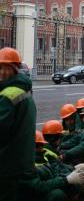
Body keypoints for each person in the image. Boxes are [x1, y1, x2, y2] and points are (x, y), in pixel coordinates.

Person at [0, 47, 36, 201]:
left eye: (6, 68)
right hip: (23, 159)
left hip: (8, 162)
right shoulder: (24, 89)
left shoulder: (8, 95)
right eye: (0, 68)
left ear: (15, 69)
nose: (2, 72)